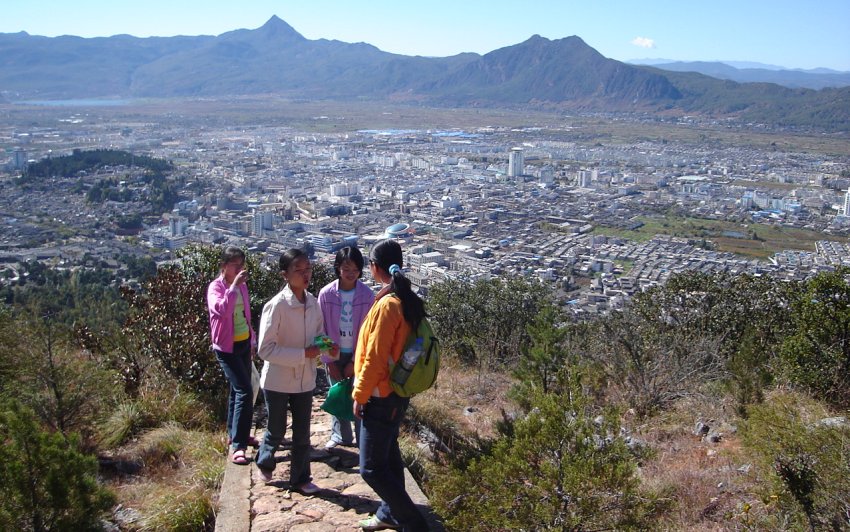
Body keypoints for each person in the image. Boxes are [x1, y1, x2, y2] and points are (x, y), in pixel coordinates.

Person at [352, 239, 430, 532]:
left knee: (371, 468)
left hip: (380, 394)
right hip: (397, 391)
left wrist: (359, 395)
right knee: (389, 455)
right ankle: (388, 513)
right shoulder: (404, 299)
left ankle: (412, 521)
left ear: (374, 267)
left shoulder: (388, 305)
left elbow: (375, 356)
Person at [255, 248, 338, 493]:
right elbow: (265, 349)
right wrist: (304, 354)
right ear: (285, 274)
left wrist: (327, 346)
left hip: (305, 379)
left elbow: (318, 334)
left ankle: (301, 478)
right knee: (277, 427)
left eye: (307, 269)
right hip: (278, 379)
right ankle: (265, 460)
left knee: (303, 432)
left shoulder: (312, 303)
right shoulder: (277, 306)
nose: (305, 274)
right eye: (298, 270)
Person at [318, 246, 375, 450]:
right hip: (334, 352)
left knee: (359, 395)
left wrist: (354, 362)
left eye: (355, 269)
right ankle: (340, 436)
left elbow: (369, 333)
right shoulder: (326, 294)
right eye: (346, 269)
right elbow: (320, 329)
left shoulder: (367, 296)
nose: (351, 274)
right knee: (336, 393)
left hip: (356, 353)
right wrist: (329, 361)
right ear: (338, 269)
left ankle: (362, 439)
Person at [207, 246, 258, 466]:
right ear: (224, 266)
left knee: (236, 391)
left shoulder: (243, 287)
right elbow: (222, 310)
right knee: (244, 390)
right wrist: (234, 287)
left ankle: (235, 433)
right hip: (225, 347)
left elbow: (245, 314)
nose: (239, 269)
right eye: (234, 264)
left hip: (243, 342)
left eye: (241, 264)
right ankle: (239, 445)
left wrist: (252, 338)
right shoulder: (215, 287)